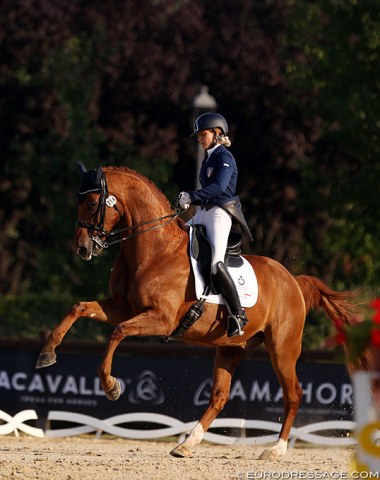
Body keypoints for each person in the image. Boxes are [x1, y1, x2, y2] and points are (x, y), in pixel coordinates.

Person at [176, 112, 253, 337]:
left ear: (217, 133)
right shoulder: (209, 159)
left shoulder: (224, 157)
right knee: (176, 235)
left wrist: (191, 196)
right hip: (203, 212)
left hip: (220, 214)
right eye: (198, 135)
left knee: (216, 264)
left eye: (203, 134)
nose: (199, 138)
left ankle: (238, 314)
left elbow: (219, 188)